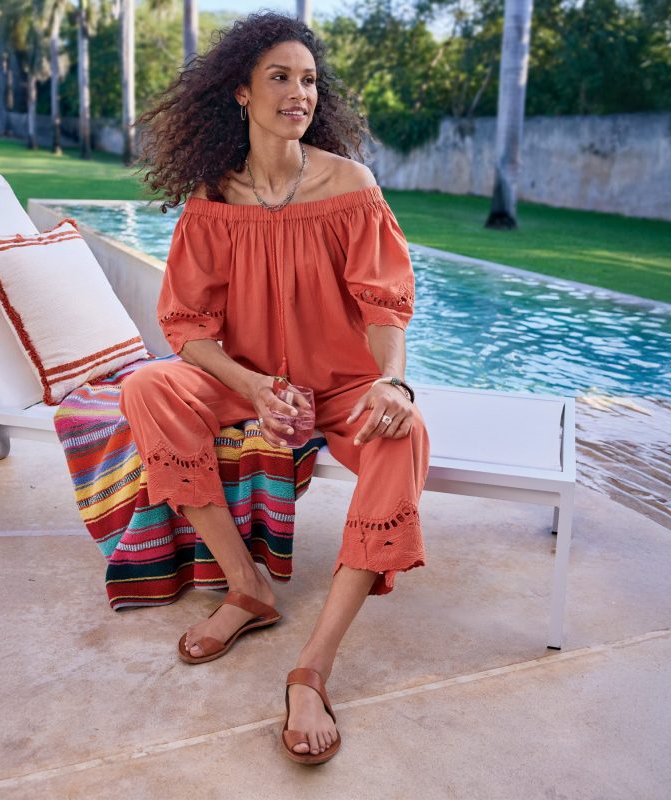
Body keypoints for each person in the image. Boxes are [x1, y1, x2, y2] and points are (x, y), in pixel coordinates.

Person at [122, 12, 430, 765]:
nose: (300, 93)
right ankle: (246, 587)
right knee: (149, 387)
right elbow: (187, 325)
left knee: (406, 434)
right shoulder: (213, 198)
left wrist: (392, 383)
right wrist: (254, 387)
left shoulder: (350, 186)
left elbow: (385, 303)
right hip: (246, 381)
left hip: (343, 386)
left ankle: (312, 668)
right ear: (241, 92)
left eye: (310, 80)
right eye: (281, 78)